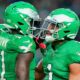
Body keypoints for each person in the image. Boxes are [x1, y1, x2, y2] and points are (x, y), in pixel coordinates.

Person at [35, 8, 80, 80]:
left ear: (66, 29)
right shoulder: (49, 46)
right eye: (49, 24)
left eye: (54, 26)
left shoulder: (73, 51)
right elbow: (39, 72)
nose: (48, 28)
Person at [0, 1, 40, 80]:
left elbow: (11, 47)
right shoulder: (25, 42)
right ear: (21, 21)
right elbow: (21, 72)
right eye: (31, 21)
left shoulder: (2, 31)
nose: (33, 26)